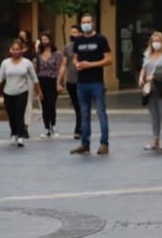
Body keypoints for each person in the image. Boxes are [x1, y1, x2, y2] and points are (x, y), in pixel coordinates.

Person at [71, 13, 112, 156]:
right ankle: (85, 143)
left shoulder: (101, 39)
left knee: (101, 112)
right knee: (84, 114)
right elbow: (75, 58)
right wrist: (77, 64)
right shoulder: (78, 40)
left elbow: (108, 60)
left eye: (88, 22)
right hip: (81, 82)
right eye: (83, 22)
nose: (86, 24)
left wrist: (91, 65)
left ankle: (104, 143)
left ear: (93, 23)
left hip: (96, 82)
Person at [0, 39, 41, 148]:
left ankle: (20, 136)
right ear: (10, 51)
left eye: (18, 49)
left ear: (22, 50)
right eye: (13, 49)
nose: (15, 51)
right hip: (8, 92)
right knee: (11, 115)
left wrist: (39, 91)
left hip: (22, 92)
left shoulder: (27, 63)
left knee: (19, 114)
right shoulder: (5, 62)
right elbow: (0, 77)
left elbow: (34, 78)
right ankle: (13, 133)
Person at [139, 31, 162, 152]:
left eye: (158, 41)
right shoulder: (148, 54)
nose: (156, 43)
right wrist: (141, 77)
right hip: (150, 88)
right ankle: (155, 140)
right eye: (153, 41)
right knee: (154, 115)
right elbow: (144, 68)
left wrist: (153, 76)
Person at [34, 31, 63, 138]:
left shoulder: (57, 54)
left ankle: (53, 126)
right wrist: (36, 86)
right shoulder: (38, 54)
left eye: (46, 39)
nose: (44, 41)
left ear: (50, 40)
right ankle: (46, 128)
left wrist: (59, 83)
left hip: (52, 80)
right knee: (44, 105)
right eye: (43, 40)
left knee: (51, 104)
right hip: (41, 81)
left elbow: (59, 69)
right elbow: (36, 70)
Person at [59, 26, 83, 140]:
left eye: (75, 32)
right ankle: (80, 127)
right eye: (72, 33)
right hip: (71, 81)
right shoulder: (67, 47)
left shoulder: (84, 46)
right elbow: (64, 64)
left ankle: (79, 129)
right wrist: (59, 80)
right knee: (77, 106)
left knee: (80, 106)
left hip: (83, 80)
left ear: (80, 33)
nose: (73, 35)